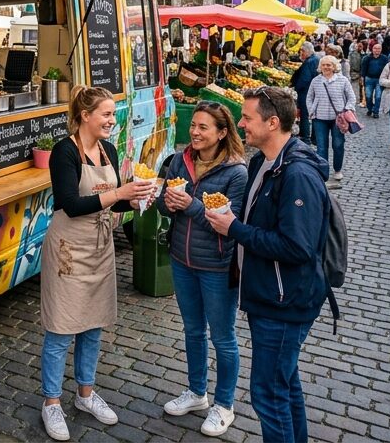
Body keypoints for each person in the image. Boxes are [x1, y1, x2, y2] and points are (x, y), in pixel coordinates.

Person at [204, 87, 330, 443]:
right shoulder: (262, 161)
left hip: (284, 301)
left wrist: (234, 228)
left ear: (273, 123)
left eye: (247, 118)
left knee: (268, 394)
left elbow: (297, 246)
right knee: (284, 384)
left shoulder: (297, 174)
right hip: (269, 295)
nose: (240, 123)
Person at [39, 86, 155, 441]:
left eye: (112, 114)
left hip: (100, 248)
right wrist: (119, 193)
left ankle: (86, 394)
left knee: (92, 327)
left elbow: (112, 203)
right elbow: (70, 204)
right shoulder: (64, 152)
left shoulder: (108, 149)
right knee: (60, 331)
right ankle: (52, 403)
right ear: (85, 116)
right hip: (69, 252)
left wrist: (134, 200)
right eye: (106, 114)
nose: (111, 120)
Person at [159, 103, 248, 437]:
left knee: (223, 338)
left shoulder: (235, 173)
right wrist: (166, 203)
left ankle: (224, 405)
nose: (194, 132)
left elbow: (232, 225)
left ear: (222, 133)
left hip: (216, 266)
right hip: (182, 262)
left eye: (203, 128)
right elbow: (163, 203)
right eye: (193, 125)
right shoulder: (180, 160)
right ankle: (197, 393)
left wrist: (193, 206)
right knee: (192, 330)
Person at [307, 55, 356, 183]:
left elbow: (351, 97)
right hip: (319, 118)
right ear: (320, 67)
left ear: (334, 66)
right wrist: (311, 111)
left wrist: (347, 110)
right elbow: (309, 97)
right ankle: (323, 172)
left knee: (338, 144)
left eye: (329, 65)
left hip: (338, 119)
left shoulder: (343, 80)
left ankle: (338, 169)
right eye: (324, 65)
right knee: (321, 147)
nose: (326, 67)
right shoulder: (315, 81)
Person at [289, 42, 319, 144]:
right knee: (313, 115)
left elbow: (305, 79)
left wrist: (296, 88)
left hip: (305, 92)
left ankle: (305, 138)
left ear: (306, 51)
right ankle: (315, 138)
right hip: (313, 91)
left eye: (302, 51)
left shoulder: (309, 62)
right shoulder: (315, 59)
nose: (300, 53)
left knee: (305, 115)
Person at [360, 42, 388, 118]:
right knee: (368, 96)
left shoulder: (384, 58)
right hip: (369, 79)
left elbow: (387, 69)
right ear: (372, 49)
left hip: (380, 79)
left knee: (378, 96)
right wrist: (362, 78)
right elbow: (363, 69)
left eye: (379, 48)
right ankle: (370, 109)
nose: (377, 50)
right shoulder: (367, 58)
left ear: (381, 49)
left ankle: (376, 112)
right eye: (375, 48)